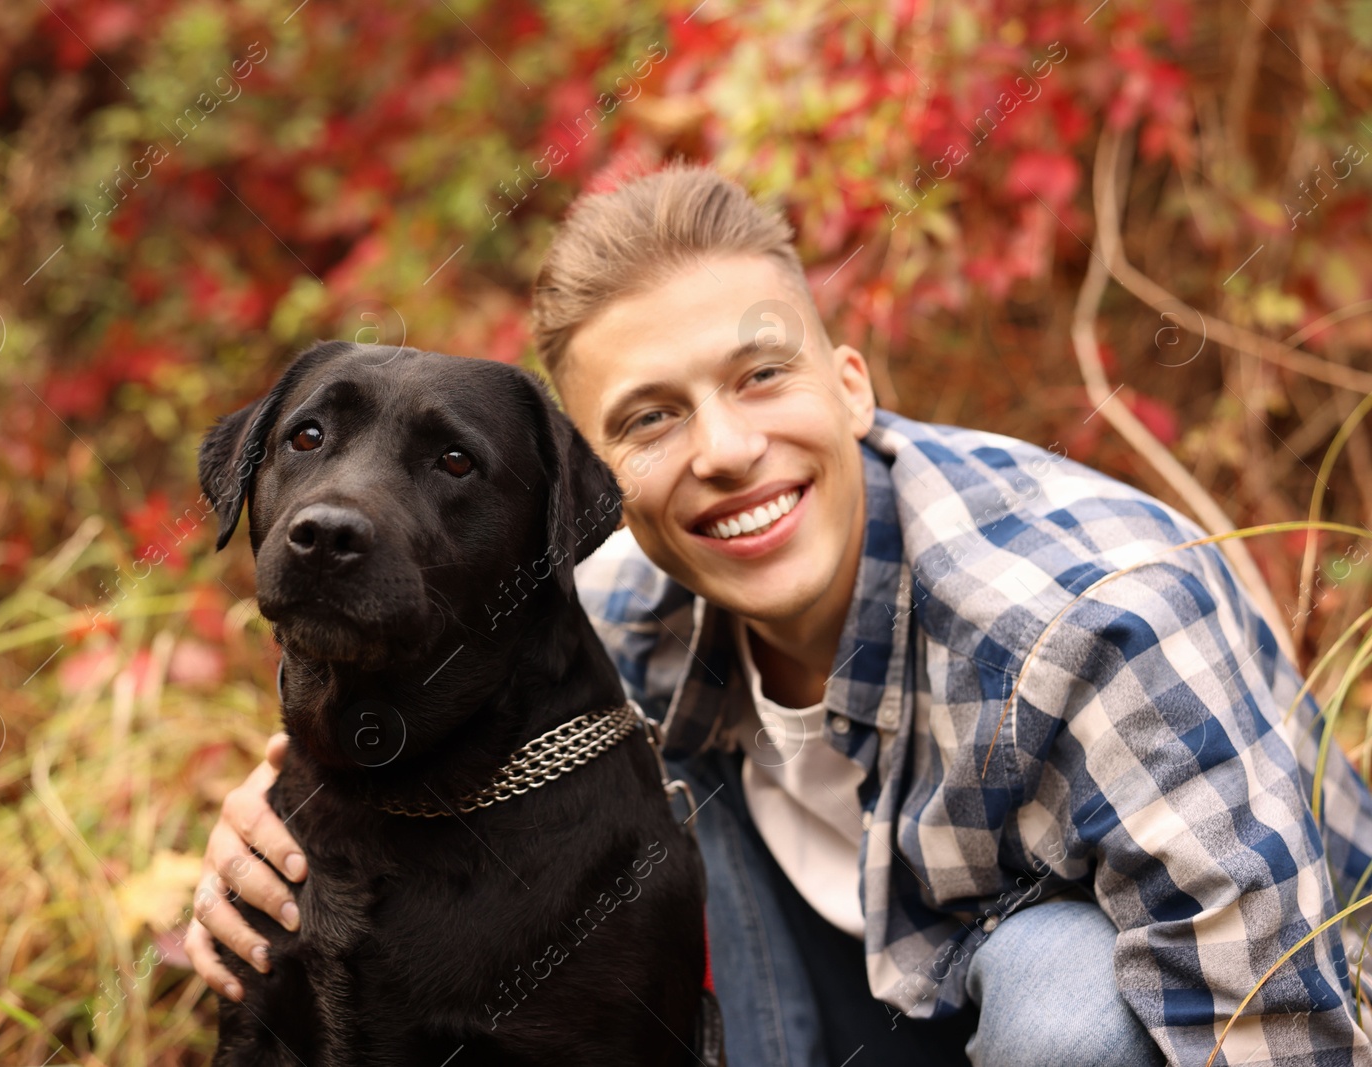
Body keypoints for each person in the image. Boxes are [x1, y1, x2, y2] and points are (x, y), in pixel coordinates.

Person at [183, 164, 1372, 1066]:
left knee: (1064, 994)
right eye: (650, 418)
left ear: (849, 382)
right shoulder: (613, 600)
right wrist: (280, 802)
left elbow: (1276, 1026)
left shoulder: (1101, 619)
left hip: (1137, 1020)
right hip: (827, 1015)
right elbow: (425, 649)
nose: (727, 450)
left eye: (759, 376)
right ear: (590, 489)